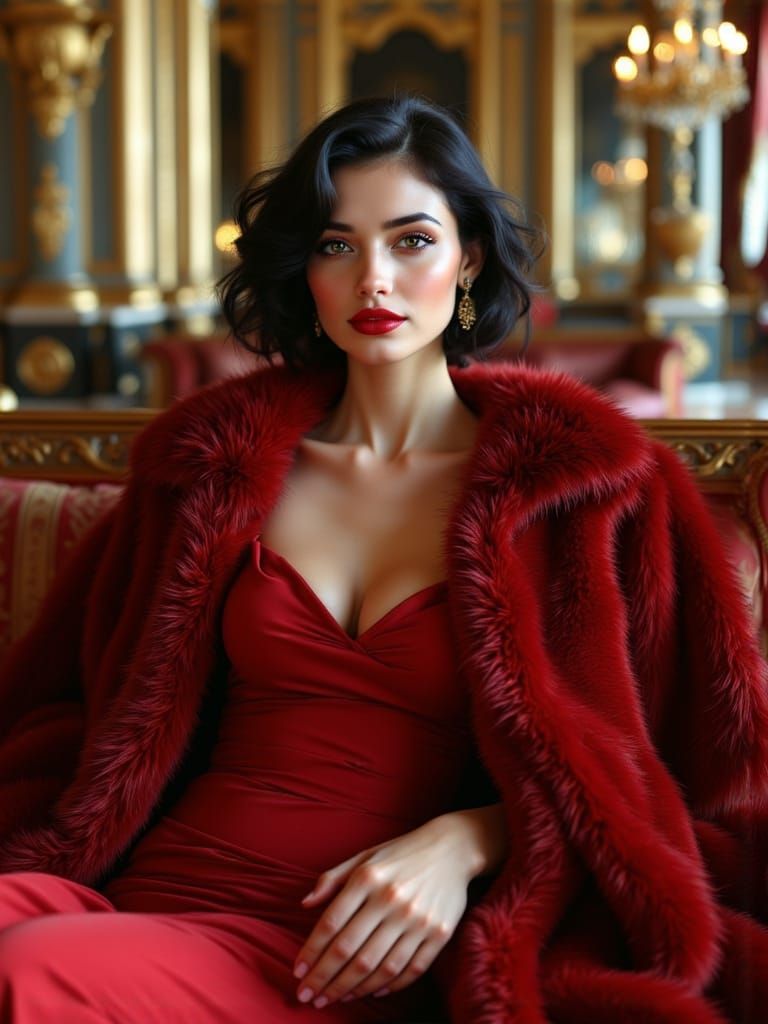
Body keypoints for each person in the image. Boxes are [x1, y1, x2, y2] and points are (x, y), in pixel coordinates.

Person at [0, 94, 766, 1024]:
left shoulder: (589, 494)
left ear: (468, 257)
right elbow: (71, 710)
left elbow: (681, 777)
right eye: (336, 245)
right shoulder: (205, 471)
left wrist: (473, 840)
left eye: (411, 241)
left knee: (29, 974)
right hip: (134, 896)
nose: (374, 280)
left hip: (342, 952)